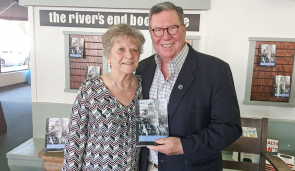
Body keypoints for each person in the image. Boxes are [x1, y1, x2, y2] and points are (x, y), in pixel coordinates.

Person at [135, 2, 242, 171]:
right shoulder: (143, 68)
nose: (165, 36)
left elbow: (229, 127)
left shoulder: (216, 70)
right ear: (151, 33)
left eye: (172, 27)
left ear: (184, 29)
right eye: (158, 30)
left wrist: (184, 146)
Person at [62, 23, 145, 171]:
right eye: (121, 49)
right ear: (108, 55)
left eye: (134, 49)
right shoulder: (90, 89)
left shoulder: (144, 87)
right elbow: (74, 142)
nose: (129, 55)